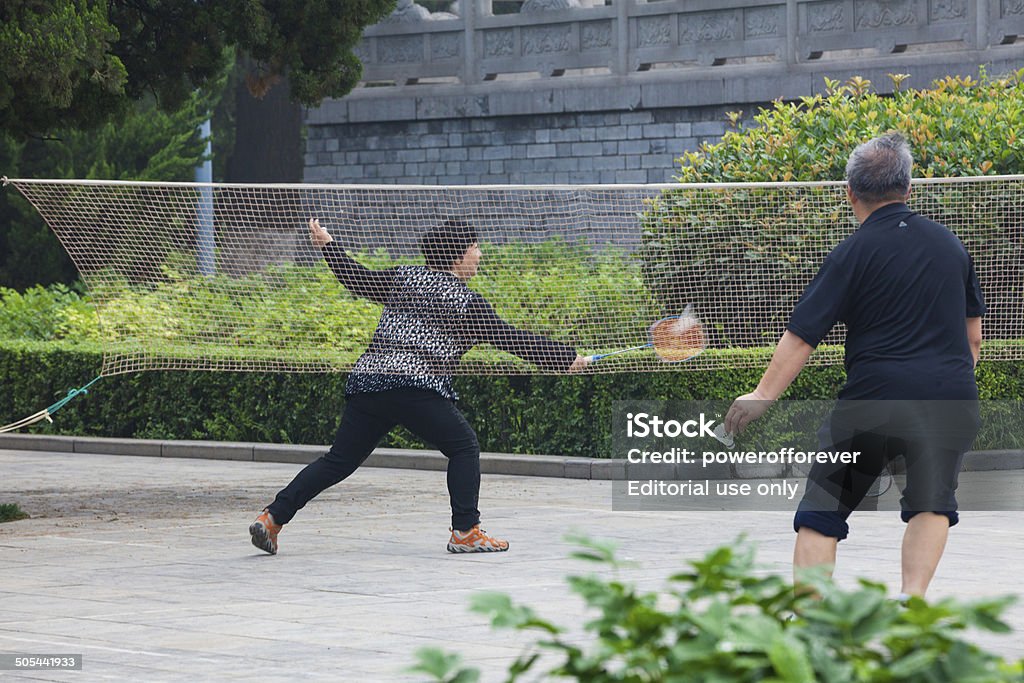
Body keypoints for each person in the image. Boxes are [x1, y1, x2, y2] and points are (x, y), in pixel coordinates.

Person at [724, 132, 985, 598]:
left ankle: (811, 619)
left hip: (875, 399)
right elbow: (973, 337)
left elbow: (803, 335)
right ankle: (911, 605)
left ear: (850, 193)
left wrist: (762, 396)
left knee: (822, 512)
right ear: (909, 189)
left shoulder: (852, 253)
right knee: (932, 504)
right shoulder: (951, 246)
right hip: (951, 395)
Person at [250, 217, 588, 555]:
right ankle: (466, 531)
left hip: (369, 381)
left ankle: (273, 518)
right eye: (475, 248)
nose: (480, 254)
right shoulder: (468, 303)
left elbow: (357, 279)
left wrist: (328, 245)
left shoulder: (403, 277)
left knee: (339, 460)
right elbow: (512, 339)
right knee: (464, 447)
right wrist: (565, 359)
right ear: (457, 258)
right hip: (415, 384)